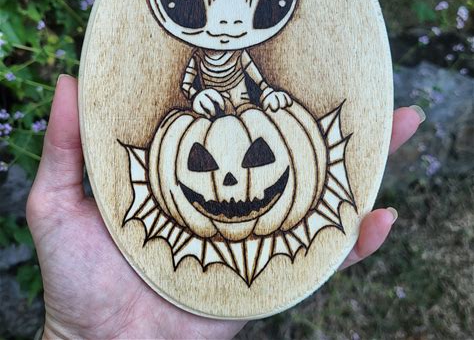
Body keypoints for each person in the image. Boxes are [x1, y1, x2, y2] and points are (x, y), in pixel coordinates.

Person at [27, 75, 424, 339]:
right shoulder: (182, 128)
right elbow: (189, 82)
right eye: (201, 162)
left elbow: (256, 78)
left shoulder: (274, 117)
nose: (231, 183)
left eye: (257, 157)